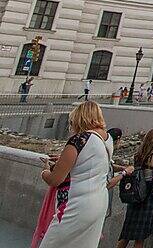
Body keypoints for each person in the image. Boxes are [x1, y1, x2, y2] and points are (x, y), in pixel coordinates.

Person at [38, 101, 115, 248]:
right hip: (98, 202)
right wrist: (63, 160)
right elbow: (88, 163)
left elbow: (55, 180)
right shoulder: (107, 139)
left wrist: (45, 171)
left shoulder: (79, 140)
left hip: (77, 203)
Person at [117, 129, 153, 248]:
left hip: (135, 194)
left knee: (126, 234)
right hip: (148, 196)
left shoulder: (139, 153)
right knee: (139, 237)